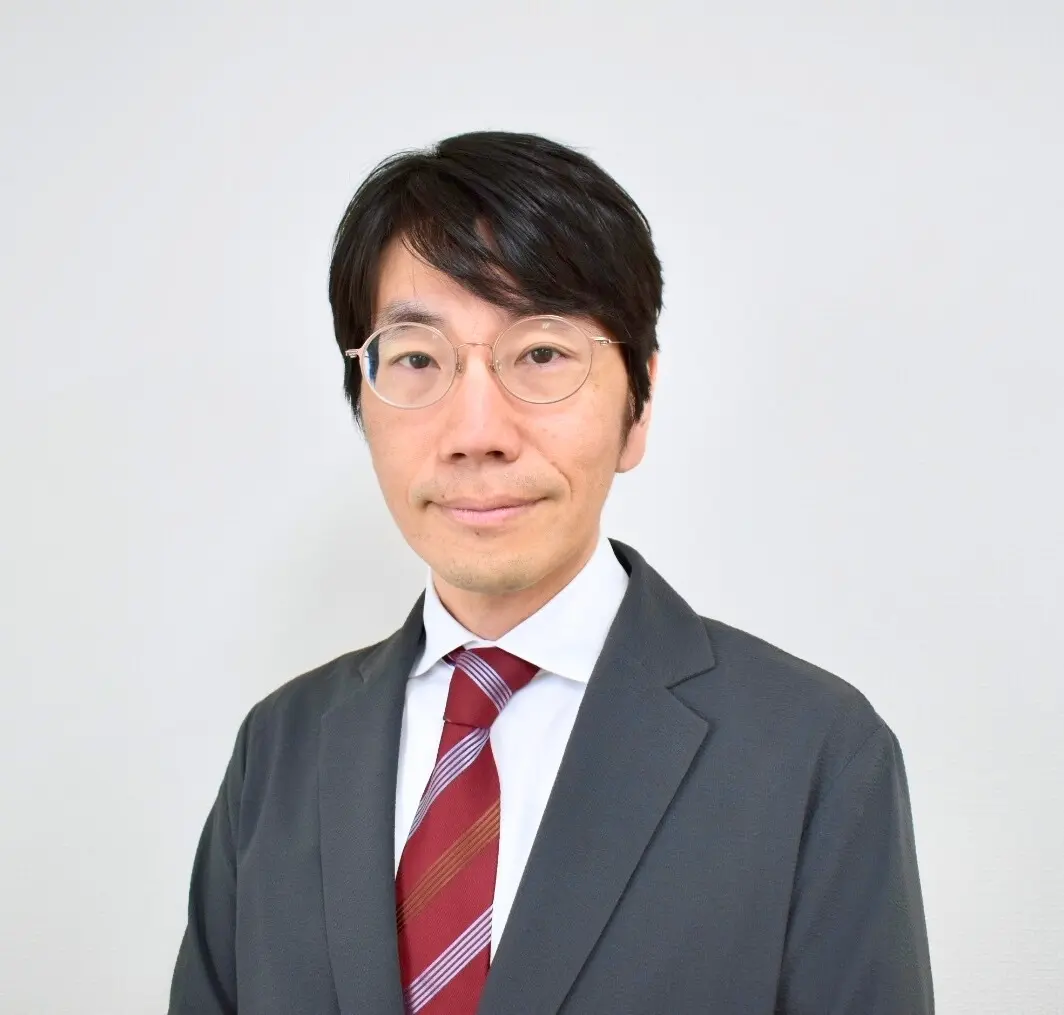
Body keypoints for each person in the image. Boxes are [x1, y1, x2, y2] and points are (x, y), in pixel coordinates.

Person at [168, 131, 934, 1014]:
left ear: (638, 406)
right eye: (417, 358)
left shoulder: (814, 754)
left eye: (541, 354)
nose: (476, 432)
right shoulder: (280, 750)